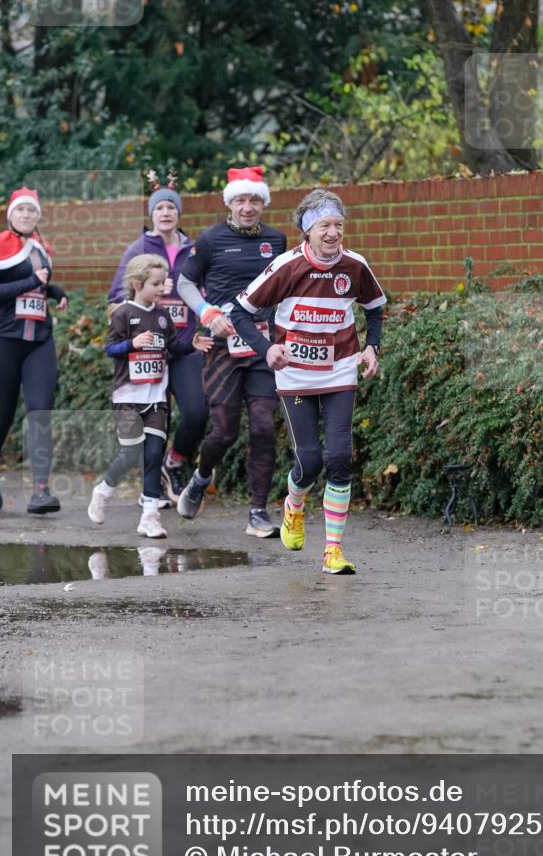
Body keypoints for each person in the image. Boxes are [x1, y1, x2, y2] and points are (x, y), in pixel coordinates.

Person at [230, 188, 385, 574]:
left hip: (340, 369)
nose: (332, 233)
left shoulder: (354, 265)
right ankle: (294, 504)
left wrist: (372, 348)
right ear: (306, 230)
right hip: (295, 374)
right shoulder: (286, 266)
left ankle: (333, 551)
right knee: (310, 461)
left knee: (338, 458)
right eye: (324, 226)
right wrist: (267, 349)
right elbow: (240, 312)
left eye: (338, 225)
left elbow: (376, 310)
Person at [176, 166, 287, 537]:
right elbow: (186, 281)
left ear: (263, 203)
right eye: (241, 200)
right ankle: (201, 476)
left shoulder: (277, 239)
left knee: (263, 428)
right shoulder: (210, 240)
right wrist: (206, 313)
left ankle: (258, 512)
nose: (248, 207)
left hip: (262, 347)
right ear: (230, 203)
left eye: (255, 200)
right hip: (223, 346)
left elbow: (285, 289)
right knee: (223, 431)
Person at [87, 254, 212, 539]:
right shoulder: (122, 313)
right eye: (156, 283)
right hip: (128, 397)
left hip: (156, 396)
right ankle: (104, 490)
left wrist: (191, 345)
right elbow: (109, 349)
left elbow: (173, 348)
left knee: (154, 455)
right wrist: (132, 343)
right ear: (137, 283)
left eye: (163, 282)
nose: (162, 287)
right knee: (131, 453)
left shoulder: (162, 315)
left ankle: (150, 517)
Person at [107, 171, 208, 506]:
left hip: (185, 348)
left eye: (171, 207)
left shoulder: (194, 250)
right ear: (151, 213)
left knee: (196, 412)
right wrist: (141, 318)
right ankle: (150, 492)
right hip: (148, 352)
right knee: (154, 422)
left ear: (179, 213)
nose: (166, 213)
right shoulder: (138, 249)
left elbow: (205, 293)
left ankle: (174, 464)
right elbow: (114, 301)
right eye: (160, 208)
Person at [0, 187, 68, 515]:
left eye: (31, 211)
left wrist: (54, 291)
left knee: (40, 412)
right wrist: (30, 283)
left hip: (39, 340)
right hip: (4, 341)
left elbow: (39, 282)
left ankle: (40, 491)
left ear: (38, 216)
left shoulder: (42, 247)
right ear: (11, 215)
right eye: (20, 210)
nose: (26, 215)